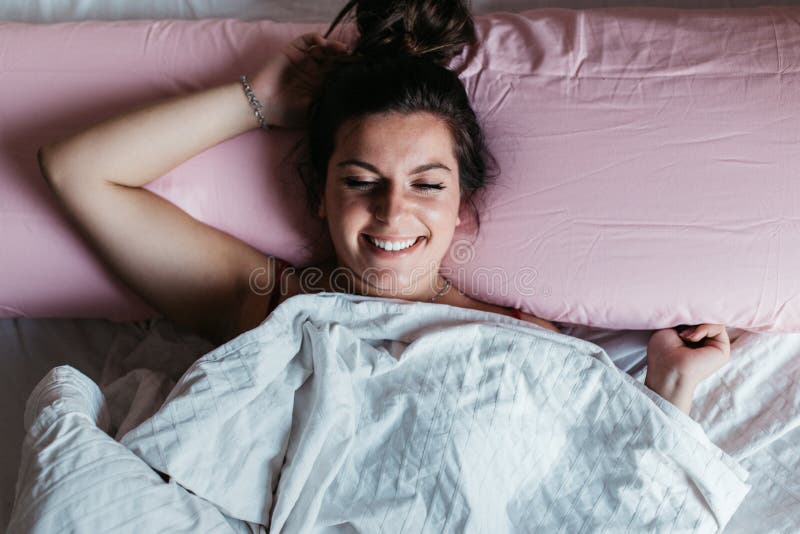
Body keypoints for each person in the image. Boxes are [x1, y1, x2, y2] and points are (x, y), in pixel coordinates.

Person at [35, 0, 729, 416]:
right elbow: (77, 171)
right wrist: (256, 101)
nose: (393, 211)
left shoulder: (523, 336)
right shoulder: (270, 303)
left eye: (427, 184)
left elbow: (603, 486)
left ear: (463, 205)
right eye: (361, 180)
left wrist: (671, 388)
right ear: (320, 197)